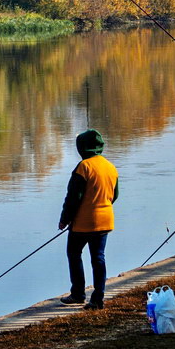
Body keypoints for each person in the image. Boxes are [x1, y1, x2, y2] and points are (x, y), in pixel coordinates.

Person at [58, 129, 118, 310]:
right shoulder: (110, 167)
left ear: (82, 147)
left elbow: (73, 198)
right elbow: (114, 195)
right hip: (105, 220)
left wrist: (64, 220)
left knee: (74, 254)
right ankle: (97, 298)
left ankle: (78, 293)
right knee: (98, 258)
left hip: (83, 223)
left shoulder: (83, 167)